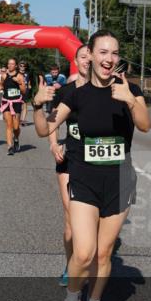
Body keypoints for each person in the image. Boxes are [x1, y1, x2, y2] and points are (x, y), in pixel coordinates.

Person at [33, 30, 150, 301]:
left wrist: (131, 101)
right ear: (92, 56)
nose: (108, 59)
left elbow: (145, 125)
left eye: (113, 53)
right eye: (102, 52)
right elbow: (46, 129)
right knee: (83, 253)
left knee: (103, 252)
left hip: (120, 181)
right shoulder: (76, 94)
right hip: (84, 178)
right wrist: (36, 106)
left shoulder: (130, 89)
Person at [46, 45, 91, 287]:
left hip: (95, 163)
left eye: (89, 56)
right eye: (82, 56)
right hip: (69, 160)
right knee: (71, 217)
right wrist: (54, 145)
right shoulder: (66, 91)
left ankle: (87, 260)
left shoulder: (105, 90)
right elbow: (52, 121)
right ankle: (71, 263)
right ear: (76, 61)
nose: (86, 60)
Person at [0, 58, 26, 154]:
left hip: (16, 102)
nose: (10, 65)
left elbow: (24, 91)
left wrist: (19, 82)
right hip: (6, 101)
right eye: (9, 64)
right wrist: (0, 87)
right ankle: (10, 147)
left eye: (12, 64)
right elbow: (1, 85)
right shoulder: (3, 75)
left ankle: (16, 139)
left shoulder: (20, 76)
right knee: (9, 125)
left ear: (15, 66)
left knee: (16, 127)